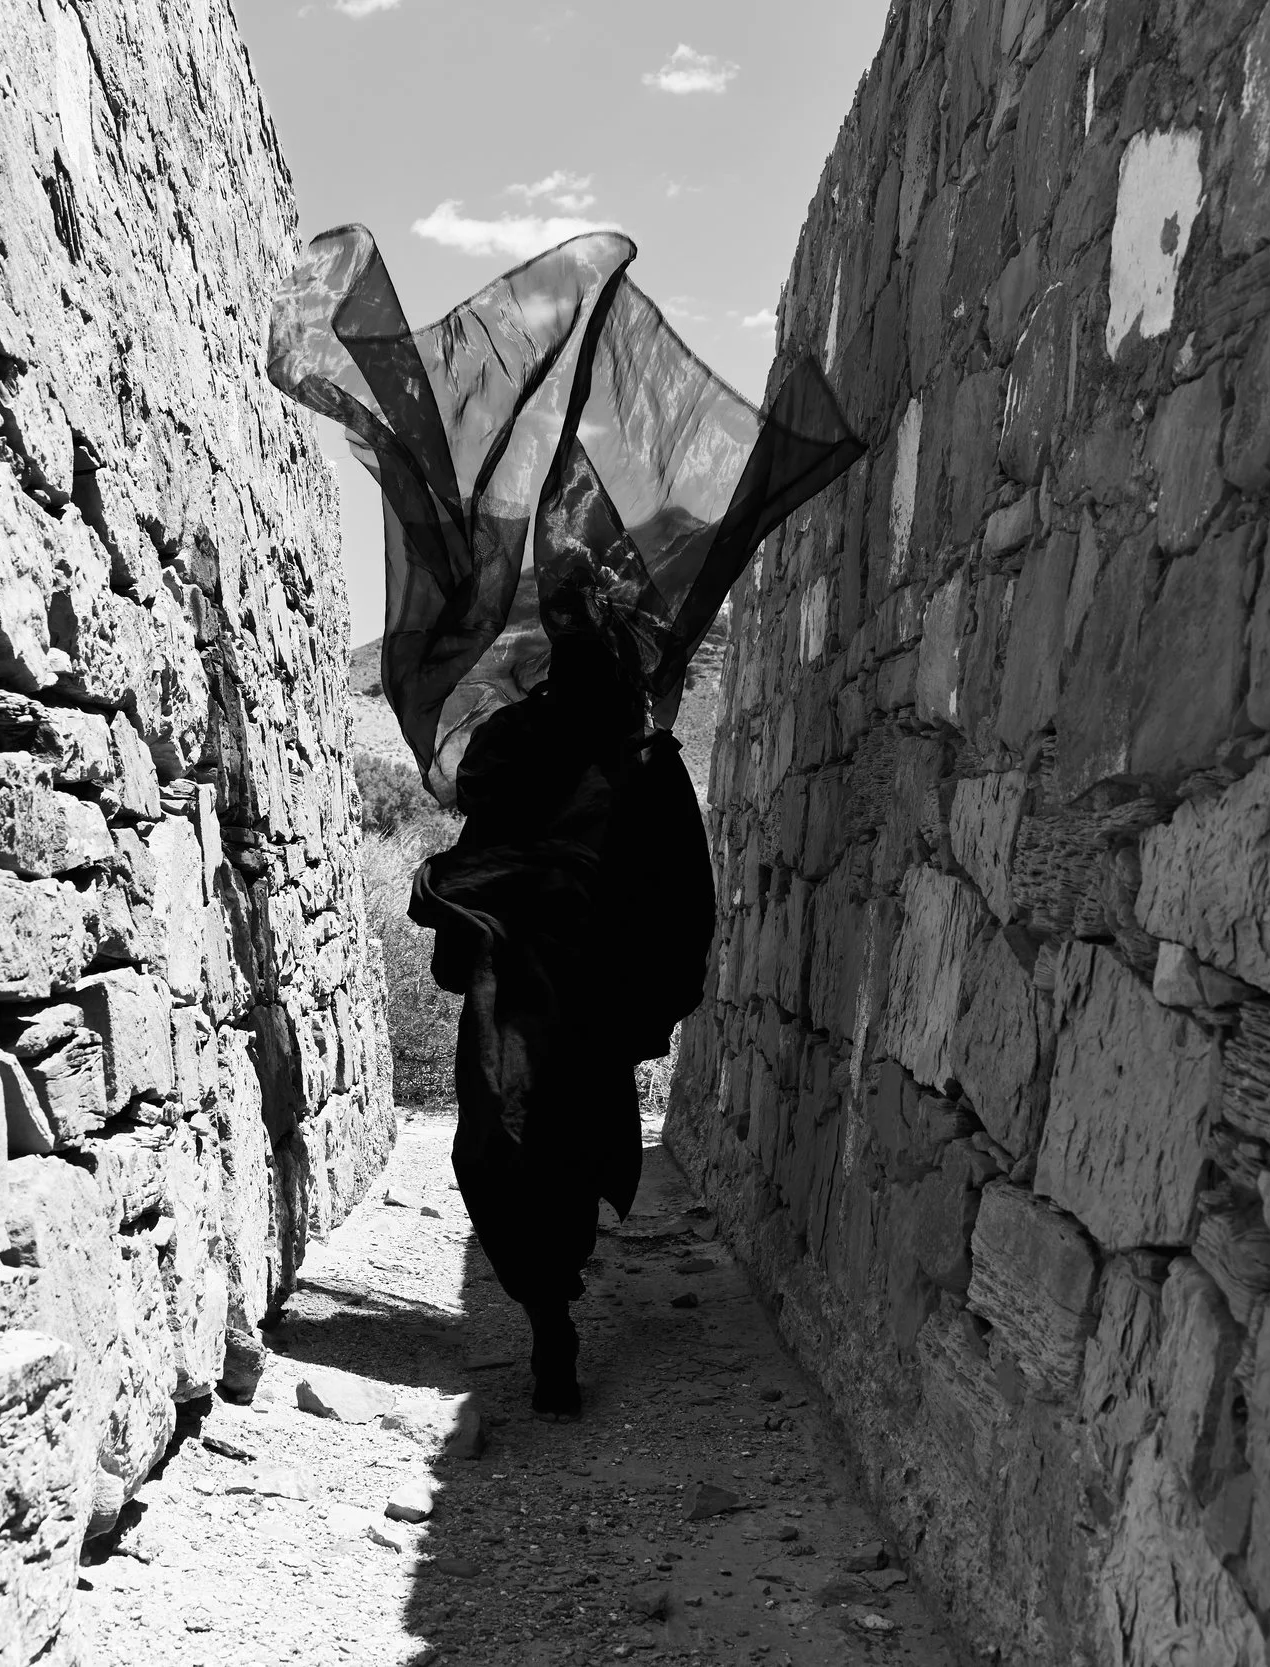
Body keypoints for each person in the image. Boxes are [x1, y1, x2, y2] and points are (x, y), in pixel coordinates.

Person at [267, 226, 861, 1417]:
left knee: (518, 1138)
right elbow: (639, 875)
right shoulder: (591, 742)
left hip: (546, 982)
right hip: (552, 981)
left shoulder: (580, 745)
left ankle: (548, 1316)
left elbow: (591, 854)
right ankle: (550, 1315)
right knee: (537, 1131)